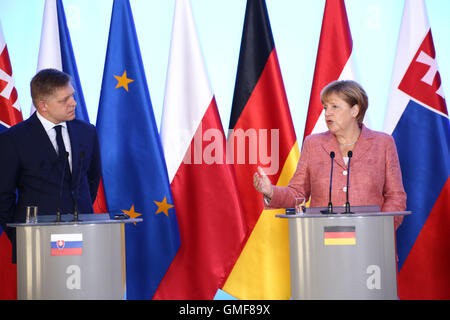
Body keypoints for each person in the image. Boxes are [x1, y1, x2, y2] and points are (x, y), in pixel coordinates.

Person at [253, 80, 406, 229]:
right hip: (324, 241)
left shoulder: (383, 143)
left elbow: (395, 196)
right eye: (325, 107)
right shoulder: (313, 144)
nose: (327, 113)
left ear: (354, 110)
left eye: (335, 107)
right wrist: (271, 191)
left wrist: (382, 230)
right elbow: (298, 193)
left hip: (371, 243)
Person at [0, 69, 101, 256]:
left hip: (84, 234)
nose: (73, 103)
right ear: (43, 105)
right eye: (64, 100)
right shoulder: (14, 139)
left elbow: (91, 180)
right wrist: (19, 235)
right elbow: (3, 195)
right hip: (36, 240)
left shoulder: (87, 132)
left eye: (72, 96)